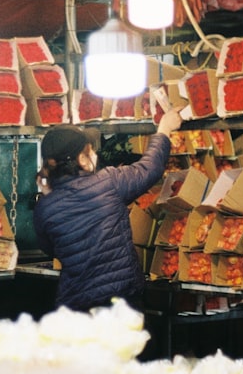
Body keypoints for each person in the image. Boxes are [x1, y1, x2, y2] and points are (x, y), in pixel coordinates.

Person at [33, 109, 183, 312]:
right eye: (90, 151)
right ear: (82, 159)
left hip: (74, 308)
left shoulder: (45, 207)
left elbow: (51, 248)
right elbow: (150, 168)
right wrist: (164, 128)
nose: (94, 154)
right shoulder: (108, 182)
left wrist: (49, 195)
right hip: (119, 303)